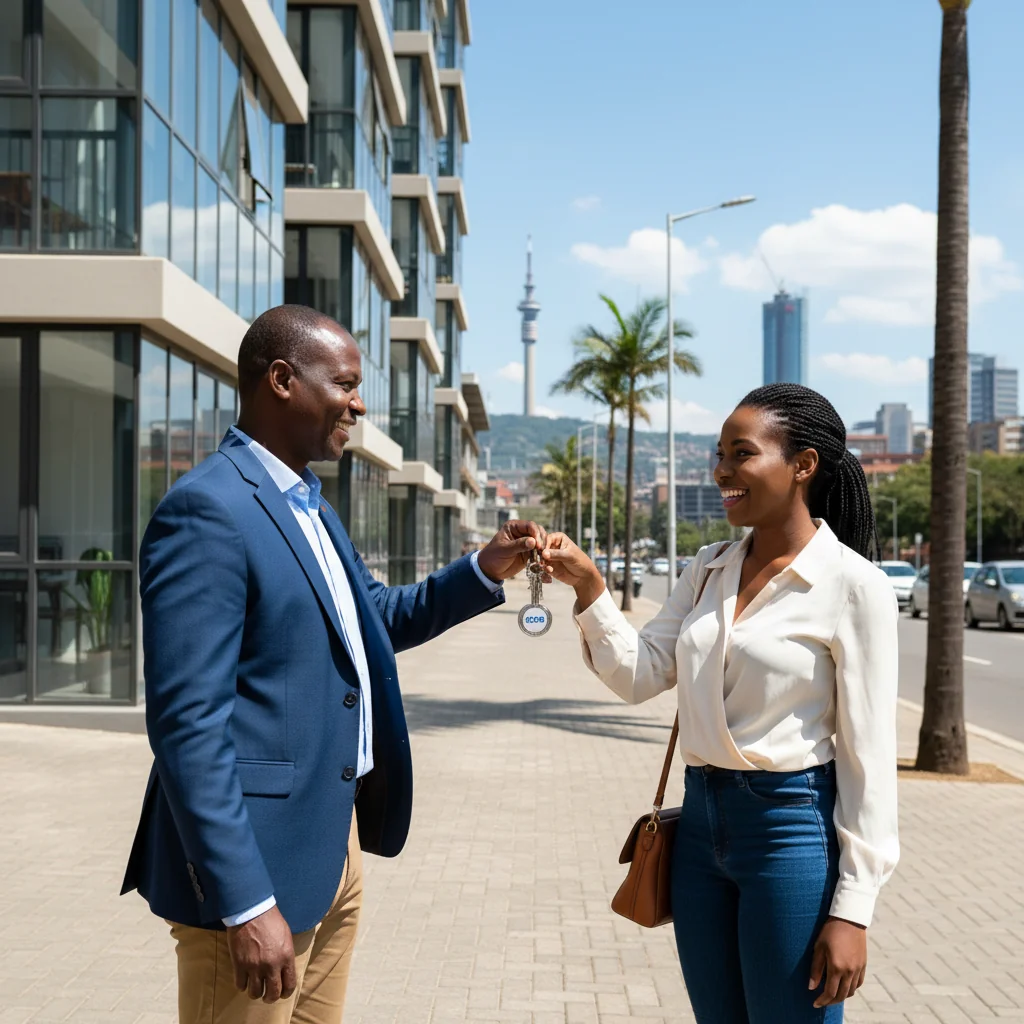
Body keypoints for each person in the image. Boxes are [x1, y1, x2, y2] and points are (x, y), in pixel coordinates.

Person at [121, 305, 545, 1024]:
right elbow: (188, 727)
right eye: (345, 384)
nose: (359, 404)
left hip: (329, 850)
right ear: (282, 380)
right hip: (256, 869)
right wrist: (245, 901)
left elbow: (374, 618)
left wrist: (483, 569)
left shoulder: (309, 506)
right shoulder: (207, 511)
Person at [540, 383, 899, 1023]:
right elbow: (640, 674)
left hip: (790, 832)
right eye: (719, 454)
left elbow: (869, 758)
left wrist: (853, 910)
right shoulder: (708, 568)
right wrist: (590, 587)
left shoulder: (853, 585)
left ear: (804, 465)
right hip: (699, 830)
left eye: (742, 453)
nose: (722, 471)